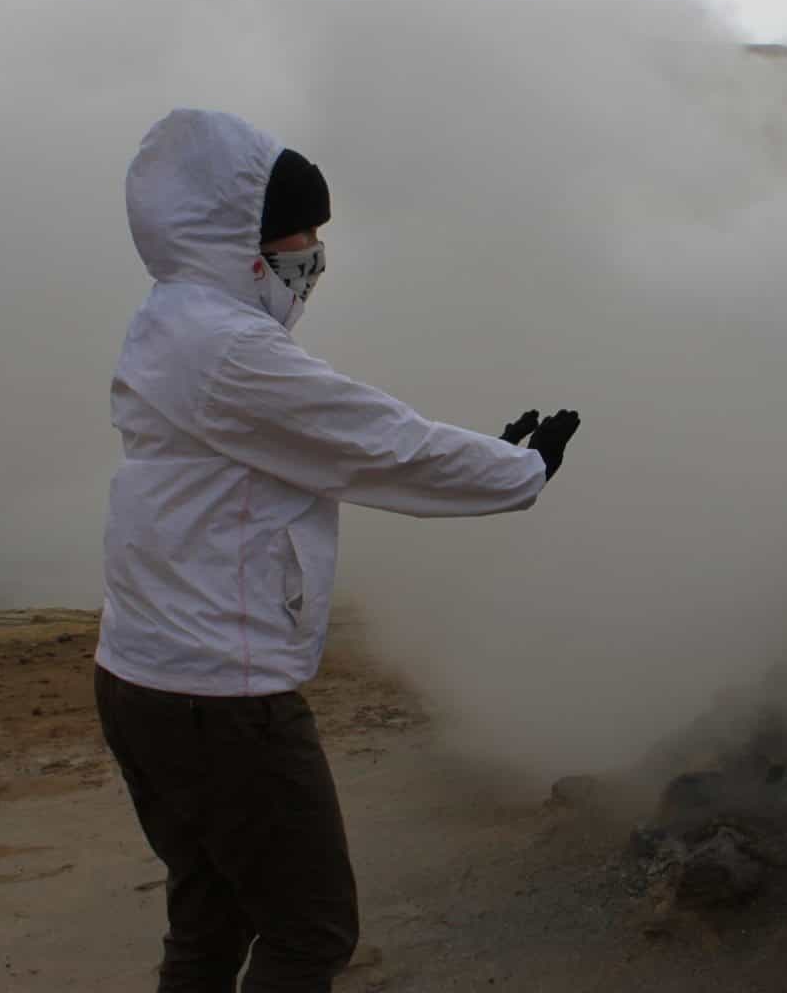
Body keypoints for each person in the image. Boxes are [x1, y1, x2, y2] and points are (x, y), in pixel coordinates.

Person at [93, 108, 579, 993]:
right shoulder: (232, 351)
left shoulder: (170, 319)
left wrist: (484, 456)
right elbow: (378, 445)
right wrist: (520, 469)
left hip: (142, 679)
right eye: (301, 234)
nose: (314, 254)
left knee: (210, 911)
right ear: (240, 240)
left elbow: (342, 439)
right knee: (310, 932)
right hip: (222, 698)